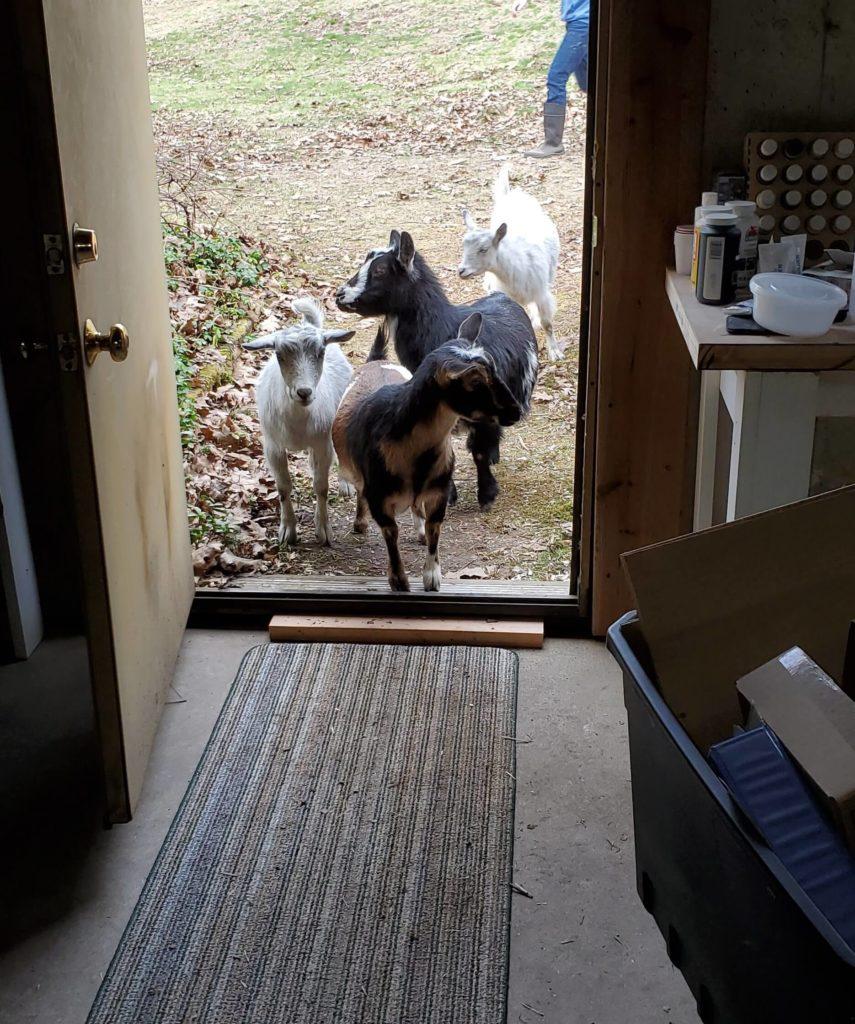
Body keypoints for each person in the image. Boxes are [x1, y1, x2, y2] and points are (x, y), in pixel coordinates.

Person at [513, 0, 590, 159]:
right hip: (578, 22)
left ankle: (553, 143)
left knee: (556, 77)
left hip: (583, 25)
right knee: (588, 83)